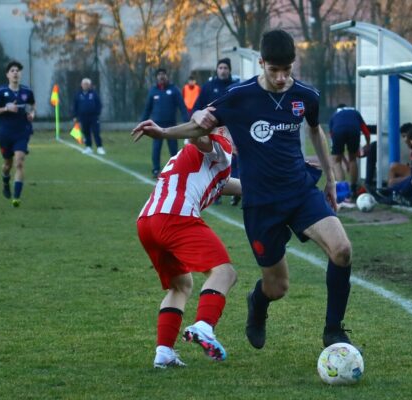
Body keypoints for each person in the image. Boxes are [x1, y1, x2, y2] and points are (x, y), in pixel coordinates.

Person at [132, 29, 354, 350]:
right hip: (261, 205)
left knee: (342, 250)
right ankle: (258, 304)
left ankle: (333, 330)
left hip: (300, 192)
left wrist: (331, 179)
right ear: (261, 63)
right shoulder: (239, 96)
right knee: (277, 287)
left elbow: (316, 131)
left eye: (287, 70)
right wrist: (164, 131)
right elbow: (201, 125)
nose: (281, 78)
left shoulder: (306, 96)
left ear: (294, 65)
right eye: (274, 70)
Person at [135, 126, 241, 368]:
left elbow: (226, 185)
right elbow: (199, 137)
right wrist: (201, 125)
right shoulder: (218, 145)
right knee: (225, 273)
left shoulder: (201, 164)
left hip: (147, 221)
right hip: (176, 216)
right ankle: (204, 326)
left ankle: (164, 352)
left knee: (181, 285)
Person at [0, 60, 36, 208]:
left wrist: (32, 114)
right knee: (7, 165)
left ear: (20, 74)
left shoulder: (27, 91)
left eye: (18, 70)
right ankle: (5, 181)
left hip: (22, 132)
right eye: (12, 70)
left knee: (19, 162)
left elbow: (32, 105)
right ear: (7, 74)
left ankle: (16, 197)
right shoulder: (0, 91)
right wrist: (6, 109)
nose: (15, 73)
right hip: (5, 134)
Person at [193, 58, 241, 206]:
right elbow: (198, 107)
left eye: (225, 68)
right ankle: (216, 193)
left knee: (234, 161)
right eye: (220, 68)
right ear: (217, 69)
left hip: (231, 130)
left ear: (230, 70)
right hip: (212, 131)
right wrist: (197, 119)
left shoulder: (236, 88)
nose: (223, 70)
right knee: (215, 161)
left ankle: (236, 192)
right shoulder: (208, 87)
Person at [141, 68, 189, 177]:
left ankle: (176, 169)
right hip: (156, 126)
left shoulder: (174, 90)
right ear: (156, 77)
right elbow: (147, 109)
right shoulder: (153, 91)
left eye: (163, 74)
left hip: (171, 126)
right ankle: (156, 170)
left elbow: (182, 107)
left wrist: (187, 122)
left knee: (173, 150)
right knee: (156, 149)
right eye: (159, 75)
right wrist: (142, 124)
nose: (161, 76)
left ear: (167, 76)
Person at [328, 104, 371, 199]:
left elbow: (336, 150)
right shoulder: (355, 112)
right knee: (353, 159)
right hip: (354, 130)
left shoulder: (335, 115)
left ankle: (343, 190)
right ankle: (353, 189)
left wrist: (342, 160)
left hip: (337, 131)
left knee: (336, 161)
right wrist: (368, 145)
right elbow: (366, 131)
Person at [73, 78, 104, 155]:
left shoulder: (93, 94)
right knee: (86, 132)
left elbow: (99, 104)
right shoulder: (78, 94)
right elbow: (75, 106)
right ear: (81, 85)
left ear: (89, 85)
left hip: (93, 117)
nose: (85, 85)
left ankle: (100, 147)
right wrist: (75, 116)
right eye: (84, 84)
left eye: (87, 84)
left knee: (96, 132)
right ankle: (88, 147)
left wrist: (97, 113)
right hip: (83, 117)